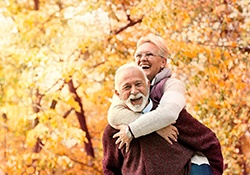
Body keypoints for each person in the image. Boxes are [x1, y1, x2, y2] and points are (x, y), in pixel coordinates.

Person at [107, 34, 223, 175]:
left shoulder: (172, 85)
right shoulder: (126, 94)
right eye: (139, 55)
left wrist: (133, 130)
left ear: (163, 62)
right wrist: (156, 128)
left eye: (149, 54)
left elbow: (168, 114)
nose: (143, 59)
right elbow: (114, 115)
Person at [102, 63, 195, 175]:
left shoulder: (175, 118)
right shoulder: (113, 130)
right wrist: (156, 128)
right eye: (127, 87)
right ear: (118, 94)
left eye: (138, 84)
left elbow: (209, 143)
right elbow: (110, 169)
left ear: (147, 84)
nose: (134, 91)